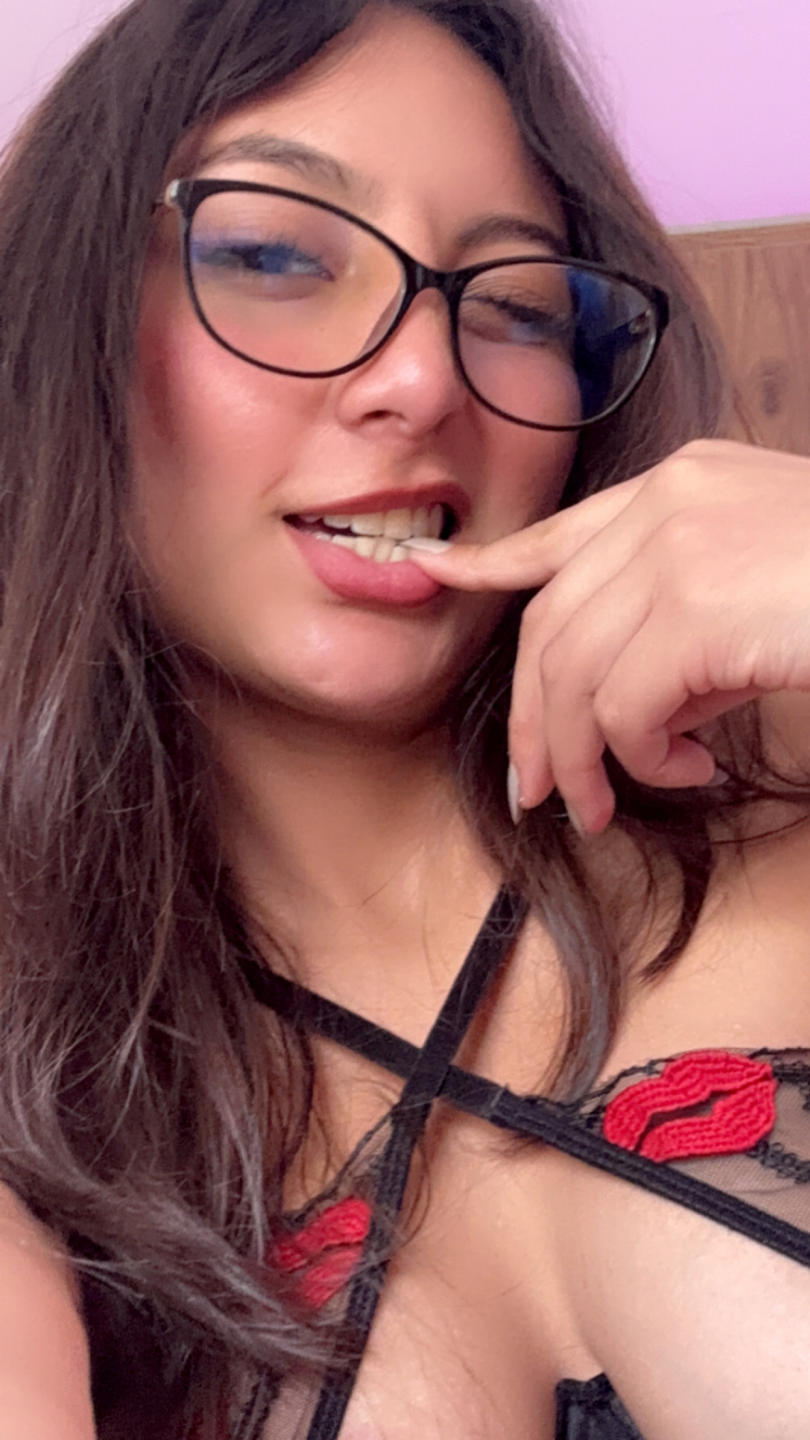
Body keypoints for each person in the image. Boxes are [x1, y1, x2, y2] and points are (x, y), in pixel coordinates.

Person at [1, 0, 810, 1435]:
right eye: (272, 256)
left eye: (516, 307)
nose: (423, 381)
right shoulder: (40, 1100)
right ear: (61, 326)